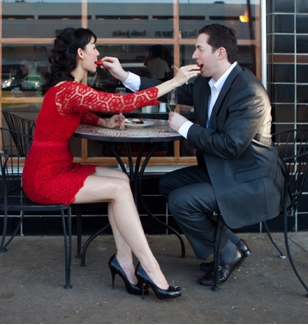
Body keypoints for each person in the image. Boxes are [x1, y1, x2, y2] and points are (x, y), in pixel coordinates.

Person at [22, 27, 199, 299]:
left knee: (121, 179)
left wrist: (104, 121)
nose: (98, 53)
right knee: (118, 190)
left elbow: (79, 114)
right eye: (94, 47)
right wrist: (174, 82)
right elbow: (123, 102)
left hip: (57, 167)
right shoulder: (69, 90)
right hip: (44, 178)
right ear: (80, 53)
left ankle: (124, 261)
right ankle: (151, 268)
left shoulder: (71, 90)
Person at [106, 23, 284, 287]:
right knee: (167, 184)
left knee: (181, 200)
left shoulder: (249, 91)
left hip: (250, 180)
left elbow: (232, 145)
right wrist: (123, 76)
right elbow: (166, 89)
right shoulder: (206, 83)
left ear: (220, 53)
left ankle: (226, 252)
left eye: (200, 49)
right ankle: (230, 244)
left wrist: (186, 127)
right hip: (223, 171)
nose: (194, 56)